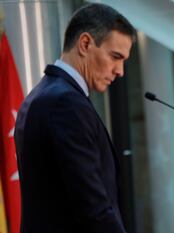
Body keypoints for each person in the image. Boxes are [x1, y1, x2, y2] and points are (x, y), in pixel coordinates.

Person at [14, 3, 136, 233]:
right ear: (85, 44)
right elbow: (93, 206)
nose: (120, 70)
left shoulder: (41, 94)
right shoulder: (65, 104)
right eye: (115, 56)